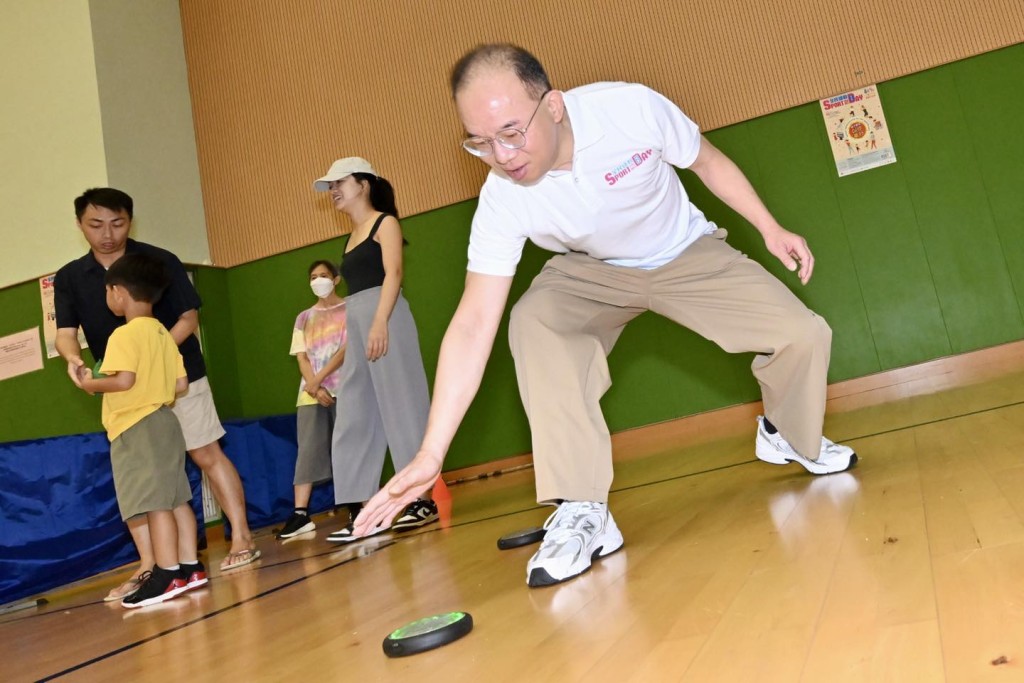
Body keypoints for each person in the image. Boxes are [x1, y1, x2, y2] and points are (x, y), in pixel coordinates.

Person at [354, 44, 857, 587]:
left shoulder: (629, 109)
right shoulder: (503, 197)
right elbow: (475, 320)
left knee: (802, 335)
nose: (501, 155)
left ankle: (786, 432)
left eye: (510, 132)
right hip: (591, 272)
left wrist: (770, 227)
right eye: (479, 142)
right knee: (533, 320)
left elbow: (706, 160)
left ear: (553, 106)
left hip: (684, 251)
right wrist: (432, 452)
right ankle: (584, 508)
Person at [55, 188, 260, 591]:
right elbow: (65, 334)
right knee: (146, 480)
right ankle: (154, 563)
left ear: (131, 221)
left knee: (204, 453)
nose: (108, 234)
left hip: (175, 380)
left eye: (118, 223)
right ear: (80, 225)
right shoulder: (70, 278)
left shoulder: (158, 259)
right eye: (96, 225)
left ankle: (241, 535)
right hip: (126, 394)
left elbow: (188, 316)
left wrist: (156, 357)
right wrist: (72, 361)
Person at [311, 157, 438, 542]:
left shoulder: (386, 223)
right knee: (354, 411)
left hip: (388, 316)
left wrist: (381, 321)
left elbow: (394, 274)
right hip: (360, 320)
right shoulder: (349, 238)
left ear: (364, 183)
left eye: (340, 182)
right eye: (330, 185)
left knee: (403, 404)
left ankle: (421, 498)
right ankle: (363, 508)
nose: (334, 190)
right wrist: (361, 328)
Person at [76, 252, 208, 608]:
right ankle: (190, 566)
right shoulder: (163, 334)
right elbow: (181, 384)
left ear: (118, 292)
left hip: (136, 425)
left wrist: (89, 384)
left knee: (153, 502)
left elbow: (123, 380)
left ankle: (166, 573)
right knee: (176, 496)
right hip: (166, 422)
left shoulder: (123, 335)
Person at [277, 260, 348, 539]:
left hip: (343, 389)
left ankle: (359, 505)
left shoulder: (349, 309)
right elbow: (302, 356)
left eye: (324, 276)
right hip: (310, 395)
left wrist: (322, 380)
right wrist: (314, 386)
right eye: (314, 277)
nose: (319, 280)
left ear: (336, 279)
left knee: (349, 447)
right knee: (307, 452)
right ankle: (300, 515)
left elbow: (346, 349)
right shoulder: (303, 317)